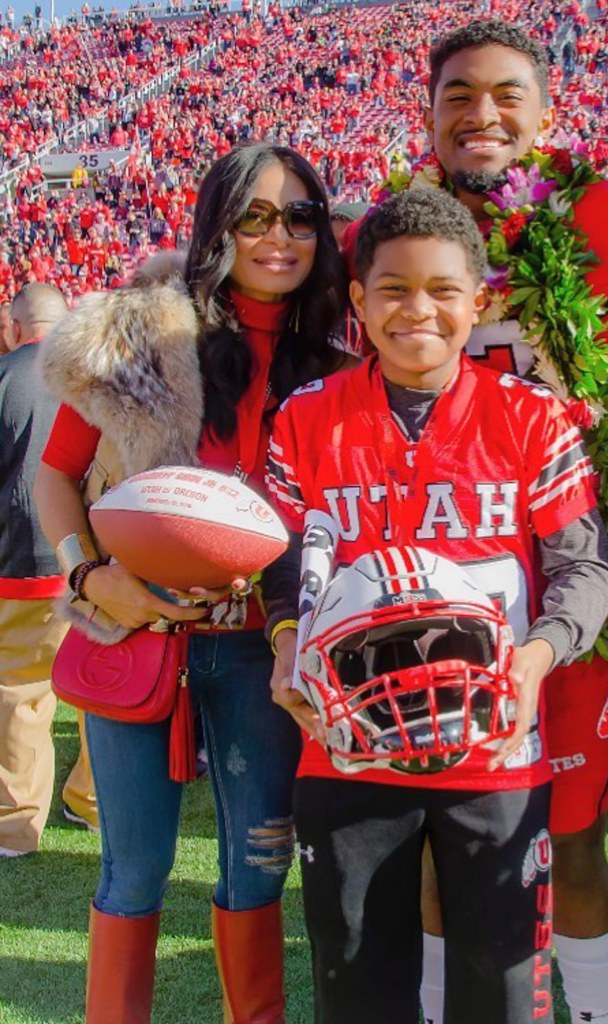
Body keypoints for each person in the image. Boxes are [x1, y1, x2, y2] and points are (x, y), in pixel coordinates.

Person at [359, 22, 608, 1024]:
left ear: (548, 115)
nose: (481, 115)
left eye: (505, 95)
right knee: (433, 837)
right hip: (429, 588)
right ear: (427, 114)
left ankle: (591, 1015)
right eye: (457, 95)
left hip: (568, 590)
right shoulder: (390, 230)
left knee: (574, 833)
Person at [264, 188, 608, 1023]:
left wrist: (536, 659)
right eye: (392, 288)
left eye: (442, 290)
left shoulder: (531, 416)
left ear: (480, 300)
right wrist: (286, 640)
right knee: (356, 990)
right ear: (357, 300)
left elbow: (586, 568)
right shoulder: (307, 419)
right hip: (345, 746)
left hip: (495, 751)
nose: (416, 309)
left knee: (503, 993)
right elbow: (280, 562)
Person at [34, 143, 346, 1023]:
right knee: (131, 869)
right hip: (137, 637)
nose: (278, 236)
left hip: (268, 648)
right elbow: (54, 474)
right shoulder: (138, 331)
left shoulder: (338, 349)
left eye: (299, 216)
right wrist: (92, 578)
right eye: (254, 216)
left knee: (258, 864)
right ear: (217, 225)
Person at [0, 283, 97, 858]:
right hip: (91, 564)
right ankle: (91, 803)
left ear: (14, 328)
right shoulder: (99, 379)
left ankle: (16, 825)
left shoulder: (5, 376)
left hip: (19, 562)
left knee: (20, 694)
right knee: (95, 691)